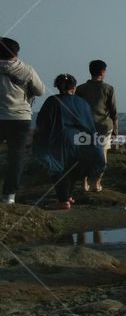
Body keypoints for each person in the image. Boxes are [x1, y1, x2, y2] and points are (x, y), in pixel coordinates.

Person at [33, 74, 105, 210]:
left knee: (58, 168)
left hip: (61, 139)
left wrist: (37, 138)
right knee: (74, 168)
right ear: (74, 87)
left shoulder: (52, 101)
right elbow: (90, 124)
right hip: (82, 140)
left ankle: (63, 201)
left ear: (57, 86)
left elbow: (43, 123)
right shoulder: (82, 102)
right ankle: (68, 196)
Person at [0, 38, 45, 205]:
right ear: (16, 52)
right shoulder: (26, 70)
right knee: (16, 157)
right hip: (20, 118)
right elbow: (39, 91)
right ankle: (9, 196)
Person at [76, 60, 118, 192]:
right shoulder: (108, 88)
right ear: (103, 72)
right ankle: (96, 183)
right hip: (103, 127)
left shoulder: (81, 89)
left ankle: (84, 184)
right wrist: (116, 129)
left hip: (84, 126)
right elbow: (113, 111)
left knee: (84, 155)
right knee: (101, 155)